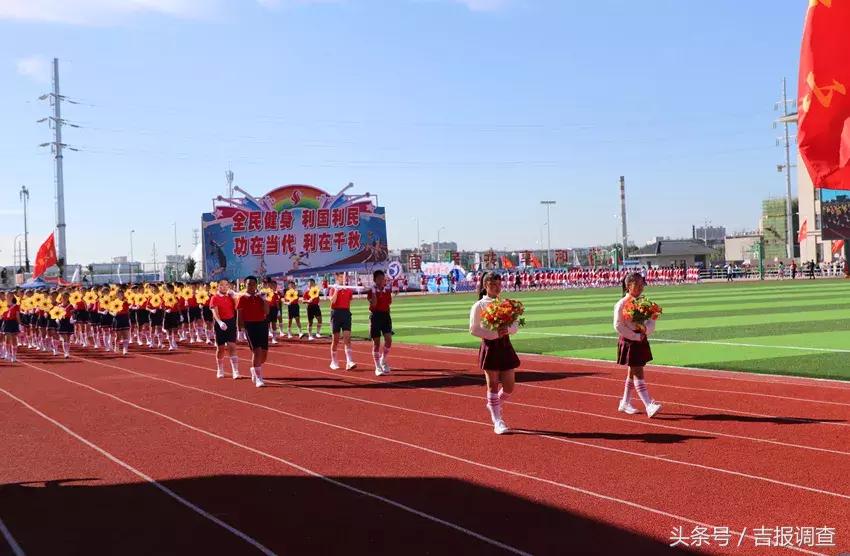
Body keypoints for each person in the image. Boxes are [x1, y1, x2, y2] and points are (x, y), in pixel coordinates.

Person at [468, 273, 520, 435]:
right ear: (485, 286)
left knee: (509, 387)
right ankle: (497, 420)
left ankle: (493, 403)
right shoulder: (479, 305)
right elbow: (473, 329)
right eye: (493, 284)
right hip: (490, 346)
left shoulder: (505, 303)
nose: (497, 287)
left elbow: (515, 325)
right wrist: (494, 333)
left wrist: (507, 329)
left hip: (505, 346)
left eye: (499, 284)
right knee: (493, 384)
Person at [614, 273, 661, 418]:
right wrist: (635, 336)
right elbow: (618, 325)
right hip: (630, 340)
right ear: (629, 286)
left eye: (642, 285)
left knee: (632, 371)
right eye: (638, 285)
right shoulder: (621, 303)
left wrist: (647, 328)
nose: (641, 288)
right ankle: (648, 405)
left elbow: (650, 322)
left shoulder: (643, 302)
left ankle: (625, 402)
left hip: (640, 339)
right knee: (638, 371)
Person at [237, 275, 270, 387]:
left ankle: (254, 369)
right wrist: (240, 330)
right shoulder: (242, 298)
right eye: (248, 284)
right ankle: (258, 378)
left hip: (262, 324)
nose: (250, 286)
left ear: (256, 285)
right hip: (250, 325)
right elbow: (239, 315)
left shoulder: (260, 297)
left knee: (264, 355)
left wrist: (264, 300)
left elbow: (267, 311)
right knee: (257, 351)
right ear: (245, 285)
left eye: (252, 284)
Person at [210, 279, 240, 379]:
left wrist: (235, 297)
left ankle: (235, 371)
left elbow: (237, 307)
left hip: (231, 323)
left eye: (226, 285)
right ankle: (220, 368)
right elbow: (215, 312)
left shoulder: (230, 297)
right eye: (222, 285)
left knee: (232, 346)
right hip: (220, 324)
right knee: (221, 349)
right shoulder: (214, 298)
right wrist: (219, 322)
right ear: (218, 286)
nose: (224, 287)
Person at [367, 269, 394, 376]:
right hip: (375, 316)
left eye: (383, 278)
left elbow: (389, 303)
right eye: (380, 279)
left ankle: (383, 360)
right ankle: (377, 366)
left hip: (386, 316)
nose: (382, 280)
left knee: (389, 340)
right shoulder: (371, 291)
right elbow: (373, 304)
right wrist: (374, 292)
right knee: (376, 343)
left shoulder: (387, 290)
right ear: (375, 280)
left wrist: (383, 291)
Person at [328, 272, 357, 371]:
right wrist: (336, 290)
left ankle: (349, 361)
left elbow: (349, 302)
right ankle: (334, 361)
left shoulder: (348, 290)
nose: (343, 278)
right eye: (341, 277)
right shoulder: (333, 288)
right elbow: (333, 301)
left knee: (347, 338)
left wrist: (344, 289)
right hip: (336, 314)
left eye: (344, 277)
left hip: (346, 314)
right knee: (335, 340)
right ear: (337, 277)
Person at [1, 292, 20, 362]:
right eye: (7, 296)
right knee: (7, 339)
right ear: (5, 297)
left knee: (14, 339)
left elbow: (18, 316)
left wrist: (20, 324)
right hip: (6, 322)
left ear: (13, 297)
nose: (9, 297)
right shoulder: (3, 305)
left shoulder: (16, 306)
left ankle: (14, 355)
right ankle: (7, 353)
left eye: (10, 296)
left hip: (14, 322)